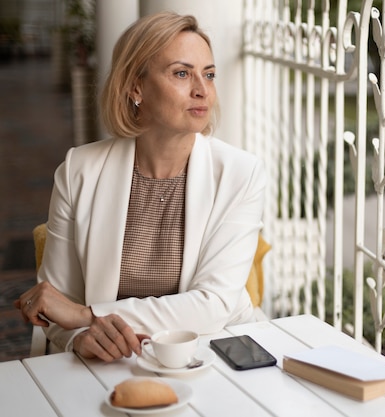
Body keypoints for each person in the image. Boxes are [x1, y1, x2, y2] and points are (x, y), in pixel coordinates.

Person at [14, 11, 266, 362]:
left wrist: (87, 315)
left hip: (219, 352)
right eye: (182, 73)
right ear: (135, 87)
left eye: (209, 74)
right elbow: (57, 306)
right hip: (115, 360)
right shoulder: (79, 171)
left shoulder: (241, 172)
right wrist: (79, 338)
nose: (202, 89)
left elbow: (214, 305)